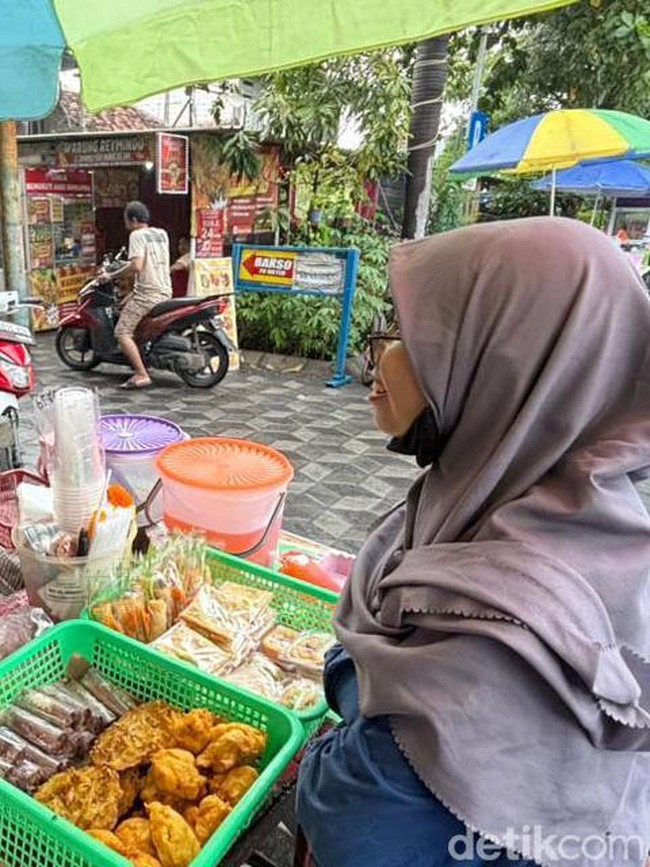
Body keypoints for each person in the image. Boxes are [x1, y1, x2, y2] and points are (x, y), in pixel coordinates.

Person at [296, 217, 650, 867]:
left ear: (508, 366)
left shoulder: (508, 620)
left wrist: (347, 683)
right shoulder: (534, 504)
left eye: (411, 335)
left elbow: (357, 817)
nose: (384, 358)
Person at [112, 201, 172, 389]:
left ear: (134, 220)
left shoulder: (136, 235)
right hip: (165, 290)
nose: (125, 224)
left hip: (148, 295)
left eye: (126, 220)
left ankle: (141, 374)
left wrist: (111, 275)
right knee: (125, 304)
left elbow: (136, 266)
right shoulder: (161, 234)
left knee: (122, 332)